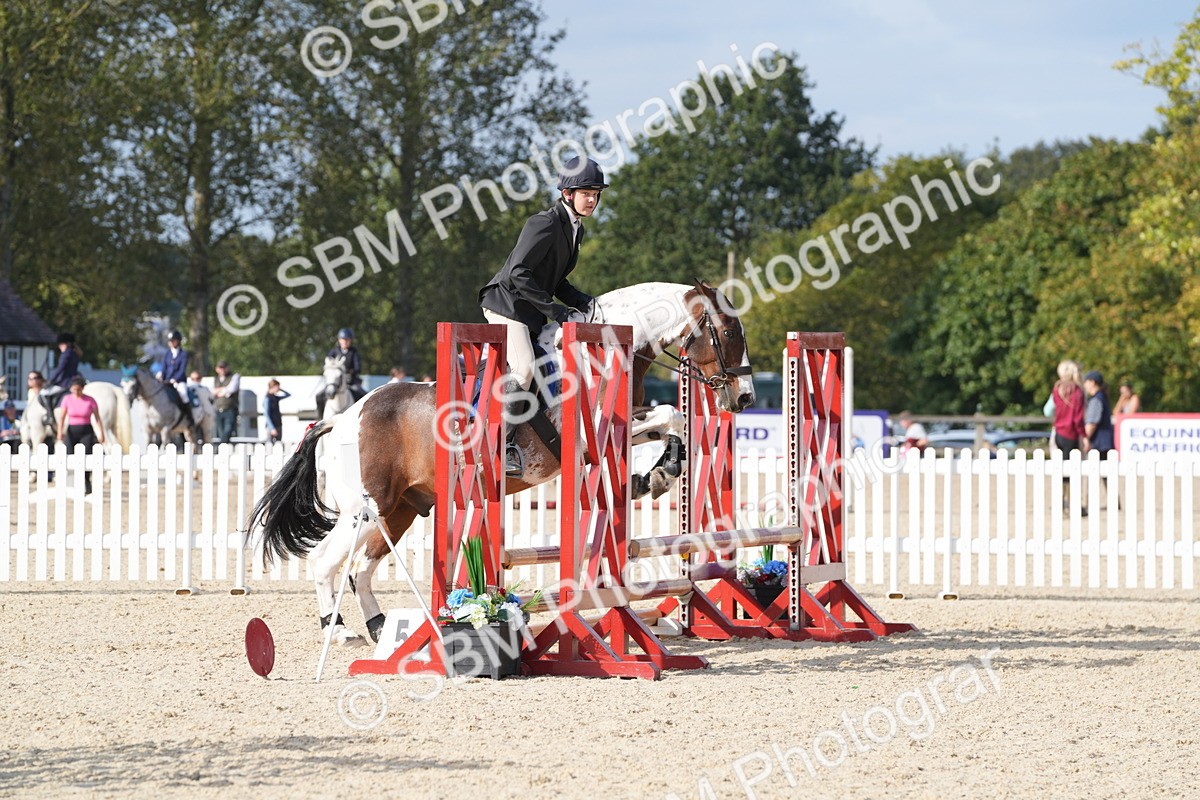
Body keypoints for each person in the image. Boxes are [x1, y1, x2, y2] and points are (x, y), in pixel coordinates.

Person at [478, 155, 606, 477]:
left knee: (549, 367)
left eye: (595, 193)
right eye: (585, 193)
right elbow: (520, 274)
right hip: (506, 306)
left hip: (529, 314)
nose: (592, 199)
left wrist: (586, 303)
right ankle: (500, 446)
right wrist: (557, 312)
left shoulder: (575, 230)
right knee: (523, 369)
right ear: (567, 194)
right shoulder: (544, 223)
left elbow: (555, 280)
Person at [56, 376, 105, 493]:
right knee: (69, 455)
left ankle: (87, 482)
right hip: (72, 430)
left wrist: (101, 433)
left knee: (86, 457)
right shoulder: (67, 399)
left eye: (78, 390)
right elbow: (62, 417)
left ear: (82, 389)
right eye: (74, 389)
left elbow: (97, 418)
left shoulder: (90, 400)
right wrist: (60, 431)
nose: (76, 392)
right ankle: (70, 482)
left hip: (86, 431)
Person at [1049, 360, 1087, 513]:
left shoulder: (1057, 389)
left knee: (1061, 470)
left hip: (1058, 432)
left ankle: (1060, 502)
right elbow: (1078, 418)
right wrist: (1083, 435)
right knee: (1072, 471)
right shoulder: (1077, 392)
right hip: (1070, 434)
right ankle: (1071, 504)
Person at [318, 328, 365, 419]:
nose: (345, 342)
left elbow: (357, 368)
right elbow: (328, 362)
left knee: (363, 394)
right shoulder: (334, 351)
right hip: (336, 381)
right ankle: (319, 419)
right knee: (319, 396)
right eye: (343, 340)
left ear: (350, 340)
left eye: (347, 340)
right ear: (339, 340)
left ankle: (361, 418)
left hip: (350, 381)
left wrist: (348, 373)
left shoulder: (354, 352)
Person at [157, 329, 195, 429]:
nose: (171, 343)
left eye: (173, 340)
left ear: (178, 341)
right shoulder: (167, 354)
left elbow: (182, 370)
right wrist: (161, 375)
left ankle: (189, 418)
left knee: (183, 395)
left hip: (178, 381)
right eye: (170, 341)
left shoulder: (184, 354)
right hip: (166, 381)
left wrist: (175, 379)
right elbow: (164, 368)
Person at [40, 332, 82, 415]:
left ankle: (50, 416)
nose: (59, 346)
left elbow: (60, 369)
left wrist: (50, 381)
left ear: (67, 344)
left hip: (65, 383)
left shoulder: (65, 354)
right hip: (74, 380)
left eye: (61, 344)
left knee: (44, 393)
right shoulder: (75, 354)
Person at [212, 360, 240, 444]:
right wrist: (224, 390)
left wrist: (219, 391)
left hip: (230, 409)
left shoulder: (234, 376)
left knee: (228, 429)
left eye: (224, 367)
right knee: (220, 432)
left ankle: (222, 445)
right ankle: (222, 447)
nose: (222, 370)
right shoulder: (215, 379)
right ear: (217, 369)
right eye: (220, 368)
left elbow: (231, 389)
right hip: (218, 409)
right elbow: (211, 392)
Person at [262, 379, 291, 444]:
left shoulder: (275, 397)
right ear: (274, 386)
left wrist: (281, 390)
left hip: (278, 424)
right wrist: (272, 428)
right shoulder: (267, 398)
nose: (279, 388)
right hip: (271, 427)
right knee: (270, 445)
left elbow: (288, 394)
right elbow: (266, 414)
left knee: (278, 444)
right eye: (278, 386)